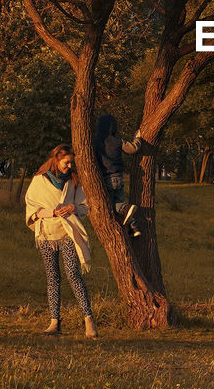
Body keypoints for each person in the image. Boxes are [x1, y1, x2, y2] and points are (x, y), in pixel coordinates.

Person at [24, 144, 97, 339]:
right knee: (53, 277)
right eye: (66, 162)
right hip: (46, 234)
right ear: (56, 159)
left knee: (73, 274)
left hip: (68, 233)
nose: (69, 166)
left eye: (71, 162)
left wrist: (72, 207)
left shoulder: (73, 181)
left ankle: (89, 320)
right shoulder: (39, 180)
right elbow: (32, 208)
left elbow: (84, 205)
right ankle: (54, 322)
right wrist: (52, 212)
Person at [93, 113, 143, 237]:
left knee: (110, 206)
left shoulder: (94, 141)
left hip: (105, 179)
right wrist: (137, 138)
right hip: (118, 177)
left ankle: (126, 208)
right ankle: (133, 228)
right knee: (119, 205)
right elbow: (133, 148)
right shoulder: (118, 141)